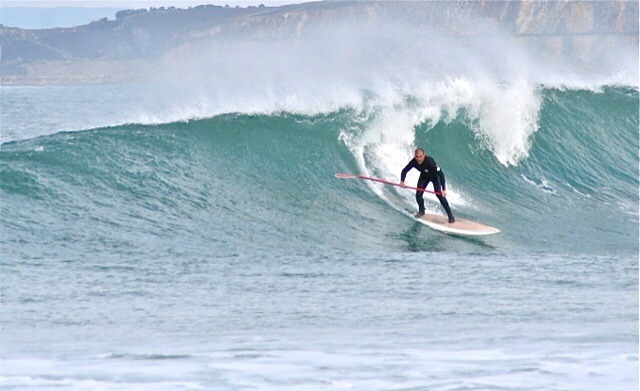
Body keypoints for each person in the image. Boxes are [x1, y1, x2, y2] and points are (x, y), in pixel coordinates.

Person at [400, 148, 455, 223]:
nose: (418, 159)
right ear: (414, 156)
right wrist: (402, 181)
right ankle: (422, 211)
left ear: (424, 155)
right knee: (418, 194)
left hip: (435, 177)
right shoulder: (414, 162)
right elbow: (404, 170)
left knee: (439, 195)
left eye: (420, 156)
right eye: (417, 157)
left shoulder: (430, 161)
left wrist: (444, 189)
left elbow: (441, 174)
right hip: (424, 177)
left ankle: (450, 216)